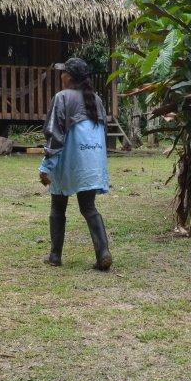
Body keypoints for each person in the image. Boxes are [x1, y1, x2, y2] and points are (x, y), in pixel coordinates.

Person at [38, 57, 112, 271]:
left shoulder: (62, 97)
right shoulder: (96, 99)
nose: (61, 76)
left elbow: (55, 134)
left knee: (57, 207)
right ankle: (103, 253)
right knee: (88, 207)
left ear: (68, 77)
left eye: (62, 73)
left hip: (68, 160)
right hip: (92, 162)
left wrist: (46, 166)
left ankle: (55, 256)